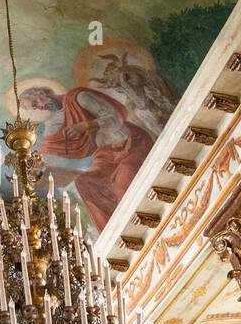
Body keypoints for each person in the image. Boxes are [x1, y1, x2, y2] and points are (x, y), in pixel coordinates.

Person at [18, 85, 152, 231]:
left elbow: (115, 118)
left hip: (128, 142)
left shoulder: (79, 97)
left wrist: (86, 125)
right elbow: (49, 148)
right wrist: (34, 164)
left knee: (122, 183)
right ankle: (113, 231)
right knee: (85, 182)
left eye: (35, 103)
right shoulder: (53, 120)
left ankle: (138, 224)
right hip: (105, 153)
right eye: (34, 108)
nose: (38, 108)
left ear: (41, 93)